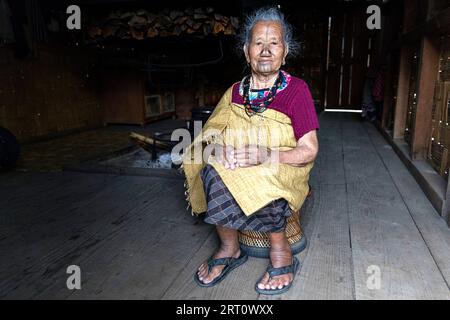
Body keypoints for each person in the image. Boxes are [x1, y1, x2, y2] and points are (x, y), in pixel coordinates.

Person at [181, 7, 319, 295]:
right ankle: (230, 248)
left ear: (285, 50)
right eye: (258, 43)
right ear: (247, 51)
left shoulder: (297, 91)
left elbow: (308, 150)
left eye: (274, 43)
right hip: (237, 164)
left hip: (280, 165)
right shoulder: (233, 92)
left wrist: (266, 156)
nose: (266, 51)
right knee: (210, 168)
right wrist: (217, 150)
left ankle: (281, 251)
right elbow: (208, 137)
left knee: (264, 172)